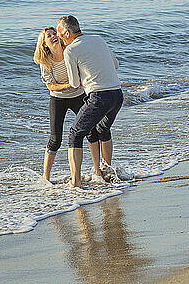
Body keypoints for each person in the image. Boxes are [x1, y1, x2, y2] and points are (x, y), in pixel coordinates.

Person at [56, 15, 124, 187]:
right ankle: (107, 172)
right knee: (103, 129)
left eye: (58, 32)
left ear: (66, 33)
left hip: (99, 97)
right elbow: (115, 64)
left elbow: (73, 83)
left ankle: (75, 182)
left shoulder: (70, 50)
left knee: (75, 133)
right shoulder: (98, 39)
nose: (57, 36)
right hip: (117, 94)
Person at [33, 27, 99, 182]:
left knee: (91, 131)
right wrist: (69, 85)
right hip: (58, 99)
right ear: (44, 44)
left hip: (78, 96)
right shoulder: (46, 60)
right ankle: (46, 178)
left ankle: (98, 171)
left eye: (54, 33)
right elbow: (51, 86)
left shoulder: (70, 50)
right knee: (55, 139)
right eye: (48, 36)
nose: (53, 36)